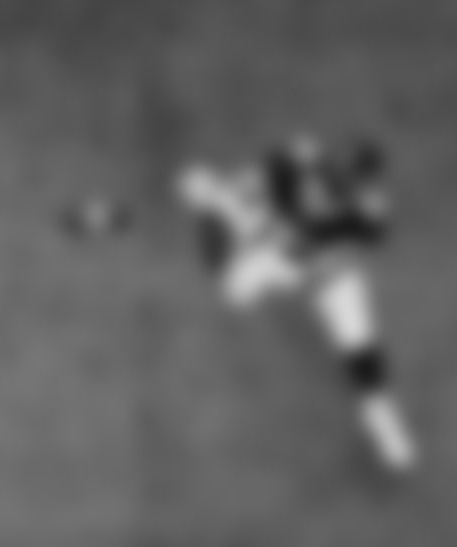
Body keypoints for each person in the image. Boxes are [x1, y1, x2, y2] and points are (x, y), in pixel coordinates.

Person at [175, 134, 419, 474]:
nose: (346, 175)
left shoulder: (359, 206)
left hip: (331, 275)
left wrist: (346, 218)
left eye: (357, 174)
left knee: (360, 350)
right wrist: (218, 205)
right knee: (239, 286)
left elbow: (372, 231)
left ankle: (382, 421)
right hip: (284, 256)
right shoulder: (291, 170)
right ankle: (381, 417)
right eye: (347, 168)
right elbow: (271, 173)